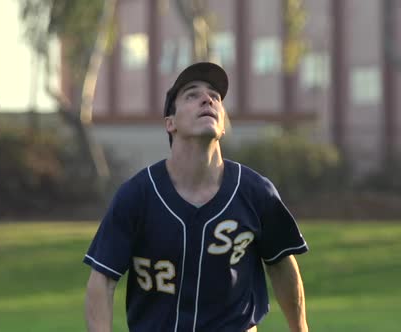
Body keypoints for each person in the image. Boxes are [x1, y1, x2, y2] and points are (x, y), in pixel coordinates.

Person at [84, 62, 309, 332]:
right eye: (192, 94)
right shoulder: (138, 195)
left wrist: (300, 329)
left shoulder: (255, 192)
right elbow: (102, 281)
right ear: (170, 123)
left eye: (215, 96)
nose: (208, 99)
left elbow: (282, 266)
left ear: (223, 124)